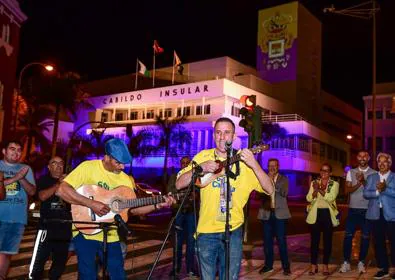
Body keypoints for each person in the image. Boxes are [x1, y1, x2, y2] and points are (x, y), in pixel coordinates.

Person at [56, 138, 174, 279]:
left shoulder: (125, 180)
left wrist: (157, 205)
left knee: (118, 274)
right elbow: (61, 190)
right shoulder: (88, 167)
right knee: (87, 275)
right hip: (85, 230)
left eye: (123, 163)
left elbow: (132, 209)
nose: (122, 167)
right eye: (118, 162)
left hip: (111, 233)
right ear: (106, 157)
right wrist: (91, 204)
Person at [176, 117, 273, 280]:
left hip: (233, 231)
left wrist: (254, 164)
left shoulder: (245, 163)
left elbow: (270, 189)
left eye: (227, 132)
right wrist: (201, 167)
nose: (222, 137)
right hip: (205, 231)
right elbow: (179, 184)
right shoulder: (203, 156)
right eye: (218, 132)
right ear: (214, 136)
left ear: (234, 137)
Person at [28, 156, 71, 280]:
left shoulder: (71, 181)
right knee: (38, 262)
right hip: (46, 227)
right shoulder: (44, 180)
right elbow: (42, 196)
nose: (58, 166)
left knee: (60, 262)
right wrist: (58, 184)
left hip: (64, 228)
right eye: (54, 163)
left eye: (61, 163)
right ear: (49, 167)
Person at [0, 140, 36, 279]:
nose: (16, 152)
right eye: (12, 149)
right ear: (4, 151)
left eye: (19, 150)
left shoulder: (25, 169)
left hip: (17, 219)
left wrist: (22, 178)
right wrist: (16, 177)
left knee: (7, 253)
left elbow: (32, 191)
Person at [339, 150, 376, 274]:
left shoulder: (374, 173)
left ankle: (361, 262)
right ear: (357, 158)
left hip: (367, 210)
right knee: (348, 236)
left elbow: (373, 192)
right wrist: (359, 183)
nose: (362, 158)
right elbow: (346, 190)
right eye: (360, 155)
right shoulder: (351, 172)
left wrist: (364, 181)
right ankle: (346, 262)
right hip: (353, 209)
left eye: (365, 155)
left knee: (365, 237)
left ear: (369, 158)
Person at [363, 153, 395, 280]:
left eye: (385, 162)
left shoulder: (394, 177)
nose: (382, 164)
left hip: (391, 215)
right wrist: (377, 191)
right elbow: (366, 193)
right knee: (378, 243)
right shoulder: (371, 177)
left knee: (394, 243)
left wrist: (385, 188)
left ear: (390, 163)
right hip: (375, 214)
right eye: (379, 162)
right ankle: (384, 269)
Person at [257, 158, 291, 275]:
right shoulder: (263, 178)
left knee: (281, 242)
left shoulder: (284, 179)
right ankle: (268, 265)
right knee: (267, 242)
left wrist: (271, 183)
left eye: (274, 166)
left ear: (278, 167)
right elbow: (259, 194)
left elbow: (284, 193)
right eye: (270, 165)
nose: (272, 168)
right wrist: (266, 181)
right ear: (267, 166)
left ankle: (286, 267)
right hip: (266, 214)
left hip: (280, 215)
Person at [306, 163, 339, 276]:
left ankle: (325, 265)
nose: (324, 172)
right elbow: (309, 198)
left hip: (327, 214)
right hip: (316, 213)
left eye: (326, 170)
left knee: (327, 242)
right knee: (314, 241)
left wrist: (319, 189)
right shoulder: (314, 183)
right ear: (320, 172)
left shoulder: (334, 184)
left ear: (330, 173)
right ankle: (313, 265)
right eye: (322, 170)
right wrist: (315, 190)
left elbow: (331, 197)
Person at [167, 156, 197, 277]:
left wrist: (195, 195)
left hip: (191, 213)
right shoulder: (174, 177)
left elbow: (198, 193)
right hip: (178, 212)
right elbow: (170, 191)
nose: (185, 165)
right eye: (183, 163)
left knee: (191, 243)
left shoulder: (195, 177)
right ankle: (176, 268)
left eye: (187, 163)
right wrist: (181, 195)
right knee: (177, 243)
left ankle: (190, 268)